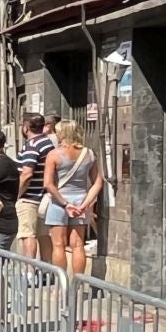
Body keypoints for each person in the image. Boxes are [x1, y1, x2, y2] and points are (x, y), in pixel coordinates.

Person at [43, 120, 101, 275]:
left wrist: (65, 203)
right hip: (81, 201)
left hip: (59, 202)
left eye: (57, 132)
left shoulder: (54, 154)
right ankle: (78, 285)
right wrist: (85, 204)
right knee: (78, 245)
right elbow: (97, 183)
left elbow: (48, 184)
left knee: (58, 244)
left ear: (62, 133)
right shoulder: (89, 154)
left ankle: (62, 285)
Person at [14, 114, 56, 260]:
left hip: (29, 198)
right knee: (44, 235)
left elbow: (27, 173)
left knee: (28, 235)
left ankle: (29, 272)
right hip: (44, 197)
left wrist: (17, 193)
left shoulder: (31, 146)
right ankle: (47, 270)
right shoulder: (48, 143)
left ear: (26, 128)